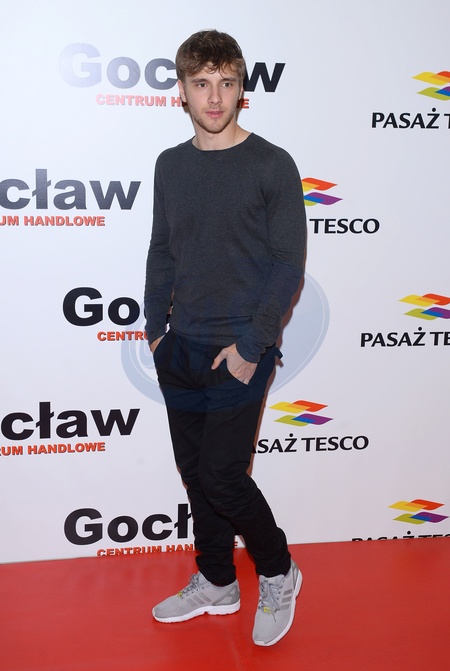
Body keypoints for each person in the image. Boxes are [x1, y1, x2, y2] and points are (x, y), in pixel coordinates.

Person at [144, 29, 307, 647]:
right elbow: (162, 249)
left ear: (242, 89)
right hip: (180, 348)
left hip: (239, 352)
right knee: (196, 475)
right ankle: (216, 579)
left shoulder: (271, 164)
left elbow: (288, 264)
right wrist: (155, 330)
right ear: (181, 92)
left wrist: (251, 346)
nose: (214, 97)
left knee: (222, 477)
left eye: (226, 82)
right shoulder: (170, 164)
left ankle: (278, 570)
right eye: (201, 83)